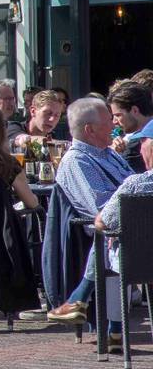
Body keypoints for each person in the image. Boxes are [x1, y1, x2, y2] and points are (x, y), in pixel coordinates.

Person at [46, 97, 134, 325]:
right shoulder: (77, 161)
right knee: (109, 232)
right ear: (90, 129)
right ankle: (110, 324)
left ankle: (80, 300)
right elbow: (104, 209)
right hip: (113, 229)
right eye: (108, 121)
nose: (115, 125)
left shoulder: (109, 153)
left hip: (130, 224)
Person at [92, 139, 153, 348]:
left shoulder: (136, 183)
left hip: (137, 262)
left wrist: (113, 234)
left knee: (114, 262)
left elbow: (103, 221)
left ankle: (116, 331)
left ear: (147, 158)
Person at [108, 80, 153, 172]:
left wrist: (114, 154)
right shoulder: (134, 141)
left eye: (118, 115)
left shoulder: (141, 144)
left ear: (135, 110)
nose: (114, 122)